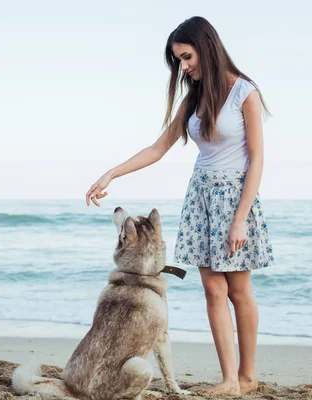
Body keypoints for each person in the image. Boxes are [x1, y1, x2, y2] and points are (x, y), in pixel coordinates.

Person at [85, 16, 274, 397]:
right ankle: (230, 380)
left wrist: (240, 219)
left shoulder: (245, 93)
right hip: (201, 196)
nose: (184, 67)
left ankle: (249, 375)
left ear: (207, 46)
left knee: (239, 291)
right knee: (212, 290)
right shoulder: (195, 96)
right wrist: (111, 174)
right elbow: (159, 147)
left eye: (186, 57)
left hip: (235, 198)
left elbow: (257, 160)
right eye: (179, 61)